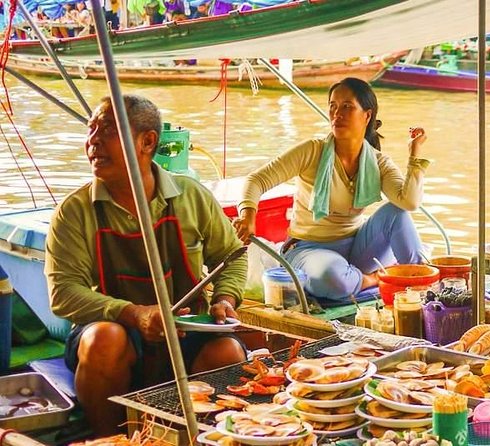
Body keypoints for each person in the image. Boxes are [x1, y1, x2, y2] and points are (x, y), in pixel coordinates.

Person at [45, 95, 248, 436]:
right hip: (117, 338)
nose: (92, 140)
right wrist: (134, 314)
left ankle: (197, 439)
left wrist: (225, 300)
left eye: (106, 129)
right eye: (91, 129)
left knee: (227, 353)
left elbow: (232, 257)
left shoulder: (192, 196)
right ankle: (110, 439)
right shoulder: (74, 211)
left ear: (148, 141)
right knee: (104, 340)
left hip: (187, 333)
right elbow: (63, 293)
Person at [234, 77, 429, 305]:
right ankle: (375, 279)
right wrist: (248, 216)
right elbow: (257, 180)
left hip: (357, 248)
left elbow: (409, 202)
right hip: (308, 250)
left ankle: (420, 285)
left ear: (367, 115)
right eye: (333, 106)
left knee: (397, 214)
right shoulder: (312, 151)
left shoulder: (378, 163)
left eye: (347, 107)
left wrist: (414, 154)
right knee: (334, 277)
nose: (337, 114)